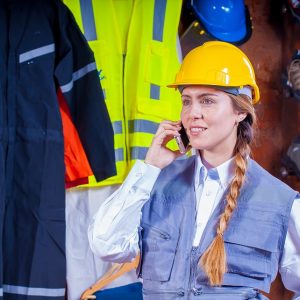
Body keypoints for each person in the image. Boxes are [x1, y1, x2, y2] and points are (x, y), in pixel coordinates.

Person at [88, 41, 300, 299]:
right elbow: (105, 244)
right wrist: (150, 167)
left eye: (207, 101)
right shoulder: (153, 183)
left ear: (240, 112)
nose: (193, 113)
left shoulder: (278, 200)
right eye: (186, 101)